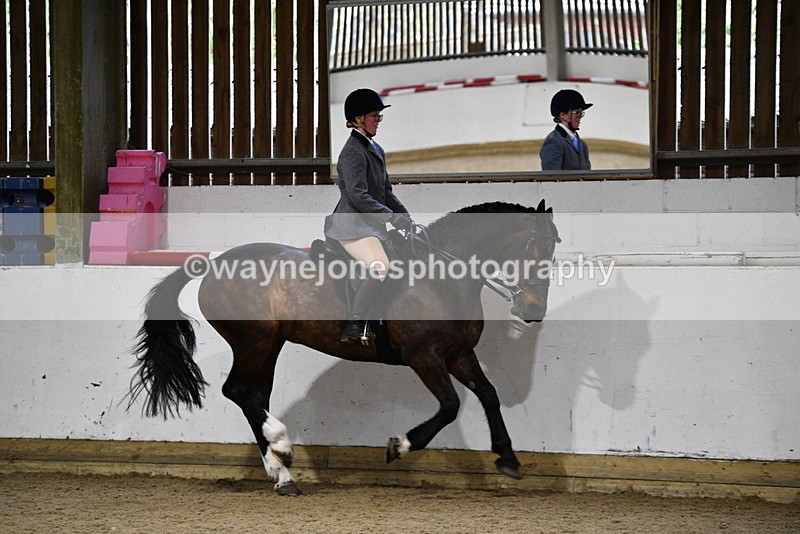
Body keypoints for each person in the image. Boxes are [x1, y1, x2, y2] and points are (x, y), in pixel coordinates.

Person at [324, 88, 413, 343]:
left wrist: (405, 216)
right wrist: (389, 217)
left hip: (369, 225)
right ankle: (356, 324)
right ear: (358, 118)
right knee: (380, 266)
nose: (378, 120)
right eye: (374, 116)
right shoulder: (352, 152)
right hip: (351, 226)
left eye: (379, 116)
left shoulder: (376, 149)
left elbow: (385, 191)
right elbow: (357, 196)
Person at [540, 89, 593, 171]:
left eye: (581, 113)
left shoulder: (582, 144)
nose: (580, 117)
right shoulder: (553, 142)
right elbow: (552, 178)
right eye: (577, 113)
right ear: (563, 115)